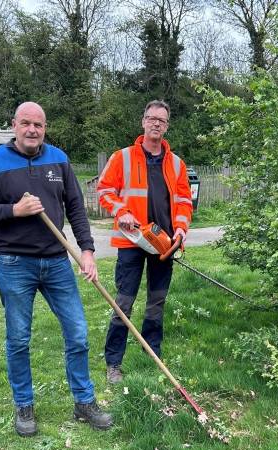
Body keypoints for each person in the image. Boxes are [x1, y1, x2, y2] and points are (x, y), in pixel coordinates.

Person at [0, 102, 112, 437]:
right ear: (14, 125)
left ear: (45, 128)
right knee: (18, 339)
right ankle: (24, 405)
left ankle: (84, 401)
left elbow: (75, 206)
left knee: (77, 332)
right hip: (14, 263)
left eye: (39, 125)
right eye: (26, 124)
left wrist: (87, 251)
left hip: (58, 261)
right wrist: (14, 210)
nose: (33, 130)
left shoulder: (59, 159)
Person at [96, 100, 193, 384]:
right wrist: (121, 211)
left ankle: (153, 352)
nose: (156, 124)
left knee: (157, 301)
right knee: (123, 302)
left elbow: (185, 201)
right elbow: (104, 190)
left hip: (164, 244)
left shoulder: (176, 164)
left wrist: (181, 230)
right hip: (132, 241)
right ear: (143, 122)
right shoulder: (122, 157)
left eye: (161, 120)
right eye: (151, 118)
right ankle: (113, 362)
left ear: (167, 126)